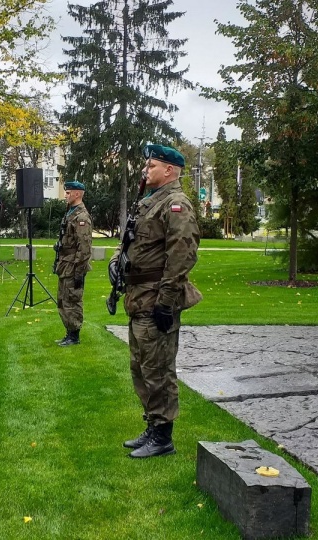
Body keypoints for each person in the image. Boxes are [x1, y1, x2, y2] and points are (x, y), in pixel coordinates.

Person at [113, 144, 200, 459]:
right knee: (140, 367)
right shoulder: (148, 202)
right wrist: (115, 261)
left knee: (158, 370)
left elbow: (182, 255)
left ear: (169, 170)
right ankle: (152, 426)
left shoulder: (176, 205)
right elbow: (131, 240)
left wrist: (166, 302)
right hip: (138, 298)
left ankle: (163, 437)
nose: (144, 170)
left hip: (156, 300)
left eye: (151, 166)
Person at [52, 180, 93, 346]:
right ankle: (68, 333)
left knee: (72, 300)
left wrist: (78, 270)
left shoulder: (81, 217)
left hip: (73, 266)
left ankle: (74, 335)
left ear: (77, 194)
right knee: (63, 300)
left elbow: (84, 248)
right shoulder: (70, 212)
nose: (65, 195)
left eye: (68, 193)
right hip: (65, 264)